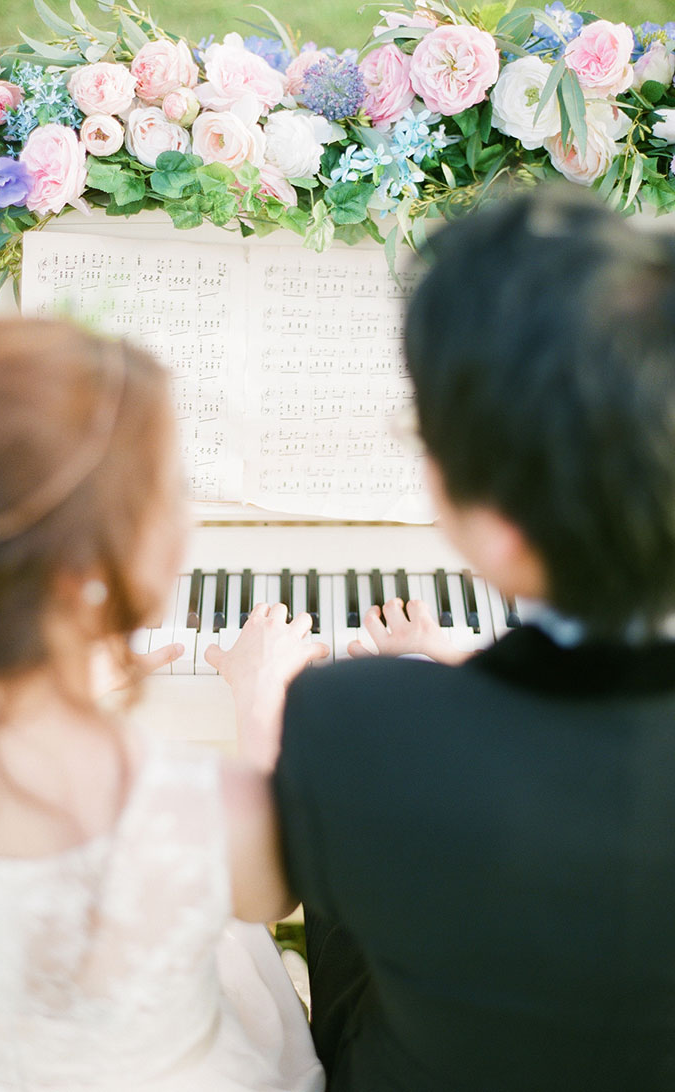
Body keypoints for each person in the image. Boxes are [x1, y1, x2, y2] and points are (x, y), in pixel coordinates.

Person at [208, 185, 675, 1091]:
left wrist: (265, 698)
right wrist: (466, 669)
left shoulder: (357, 722)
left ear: (489, 527)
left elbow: (258, 896)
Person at [0, 318, 326, 1092]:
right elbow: (271, 889)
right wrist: (261, 703)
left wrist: (67, 677)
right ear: (86, 567)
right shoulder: (209, 807)